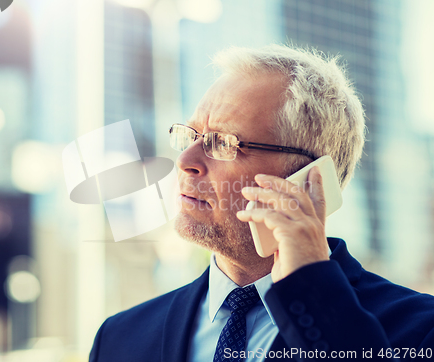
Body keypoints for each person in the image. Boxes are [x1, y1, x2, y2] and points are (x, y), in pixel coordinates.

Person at [88, 44, 434, 362]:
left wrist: (314, 294)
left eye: (221, 142)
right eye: (190, 136)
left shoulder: (420, 331)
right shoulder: (118, 338)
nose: (185, 160)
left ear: (308, 177)